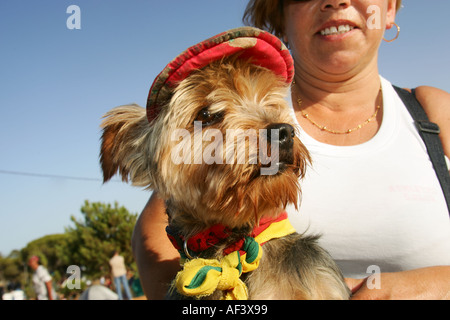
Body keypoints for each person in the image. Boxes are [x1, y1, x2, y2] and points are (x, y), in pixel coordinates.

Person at [131, 0, 450, 300]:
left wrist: (427, 286)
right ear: (279, 17)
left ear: (390, 8)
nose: (335, 1)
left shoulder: (435, 112)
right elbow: (160, 238)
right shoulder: (200, 133)